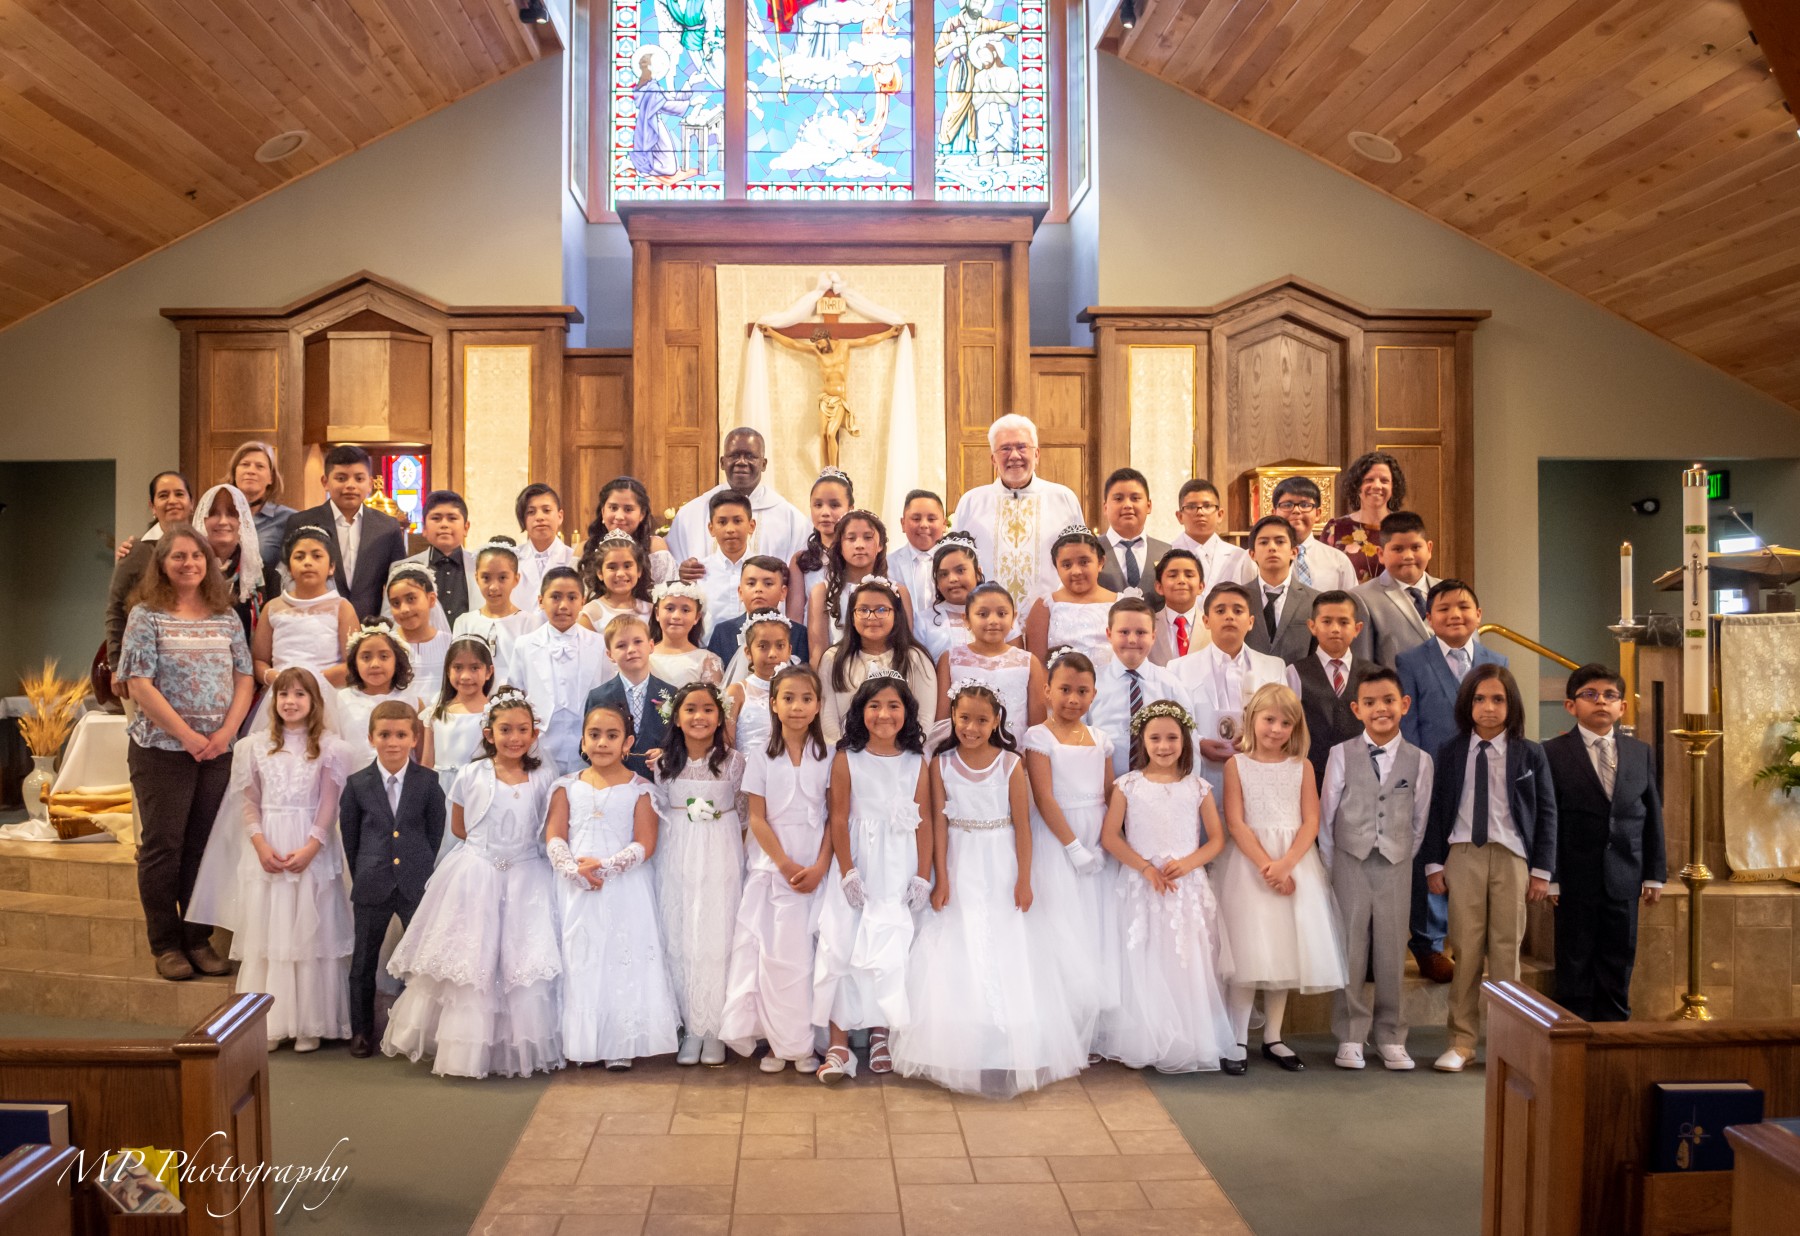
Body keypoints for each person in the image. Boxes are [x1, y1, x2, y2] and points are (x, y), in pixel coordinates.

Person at [894, 680, 1084, 1096]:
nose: (972, 727)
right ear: (953, 718)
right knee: (958, 943)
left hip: (1000, 861)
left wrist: (1023, 878)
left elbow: (1023, 825)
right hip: (961, 860)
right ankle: (964, 1044)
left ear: (997, 720)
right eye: (964, 718)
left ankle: (1007, 1045)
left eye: (982, 720)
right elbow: (938, 824)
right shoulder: (939, 765)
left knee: (1005, 943)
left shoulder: (1011, 764)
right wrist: (941, 878)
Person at [382, 687, 564, 1078]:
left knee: (522, 959)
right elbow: (461, 826)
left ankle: (520, 1046)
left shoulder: (546, 776)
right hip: (477, 873)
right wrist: (489, 856)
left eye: (522, 730)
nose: (514, 738)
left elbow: (548, 826)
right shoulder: (471, 773)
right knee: (472, 957)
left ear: (534, 735)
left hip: (528, 874)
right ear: (489, 733)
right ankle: (466, 1049)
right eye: (505, 730)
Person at [185, 666, 353, 1053]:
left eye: (299, 695)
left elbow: (330, 803)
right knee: (270, 934)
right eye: (283, 694)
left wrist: (312, 846)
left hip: (311, 845)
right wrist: (260, 845)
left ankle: (312, 1021)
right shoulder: (253, 747)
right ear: (273, 702)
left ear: (314, 703)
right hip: (269, 846)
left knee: (310, 931)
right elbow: (249, 803)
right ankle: (271, 1022)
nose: (290, 702)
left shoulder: (332, 748)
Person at [118, 525, 256, 981]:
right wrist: (188, 735)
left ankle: (198, 939)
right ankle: (166, 944)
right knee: (164, 846)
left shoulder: (225, 614)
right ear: (162, 564)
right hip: (161, 749)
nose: (189, 564)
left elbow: (244, 678)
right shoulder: (146, 615)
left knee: (205, 846)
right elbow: (140, 685)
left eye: (197, 556)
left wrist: (226, 733)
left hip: (218, 750)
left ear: (208, 563)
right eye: (178, 557)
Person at [1095, 699, 1241, 1074]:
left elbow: (1216, 840)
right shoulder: (1127, 785)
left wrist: (1187, 864)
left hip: (1184, 889)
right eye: (1155, 738)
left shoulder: (1198, 787)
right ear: (1142, 741)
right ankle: (1143, 1036)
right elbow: (1111, 837)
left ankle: (1187, 1038)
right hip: (1140, 886)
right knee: (1141, 960)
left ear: (1185, 740)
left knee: (1184, 963)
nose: (1163, 746)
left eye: (1172, 738)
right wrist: (1145, 868)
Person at [1422, 665, 1556, 1073]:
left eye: (1498, 699)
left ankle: (1507, 1042)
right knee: (1465, 948)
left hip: (1512, 856)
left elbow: (1547, 812)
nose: (1489, 708)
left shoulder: (1530, 752)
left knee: (1505, 950)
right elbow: (1437, 808)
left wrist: (1542, 870)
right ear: (1468, 704)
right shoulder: (1450, 751)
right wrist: (1433, 862)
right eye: (1480, 699)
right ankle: (1461, 1041)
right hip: (1463, 854)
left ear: (1511, 705)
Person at [1219, 683, 1347, 1073]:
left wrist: (1288, 863)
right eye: (1269, 719)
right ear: (1252, 719)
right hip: (1249, 866)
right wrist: (1266, 866)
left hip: (1294, 865)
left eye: (1285, 723)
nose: (1276, 729)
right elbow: (1236, 822)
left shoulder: (1302, 767)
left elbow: (1311, 819)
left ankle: (1273, 1037)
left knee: (1285, 952)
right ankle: (1237, 1037)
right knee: (1247, 952)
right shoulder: (1235, 765)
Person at [545, 702, 680, 1071]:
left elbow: (645, 843)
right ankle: (583, 1041)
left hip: (624, 887)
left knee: (621, 957)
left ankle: (619, 1040)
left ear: (628, 742)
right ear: (583, 742)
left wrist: (605, 866)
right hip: (576, 888)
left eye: (612, 735)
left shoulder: (640, 790)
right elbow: (555, 834)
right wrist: (572, 868)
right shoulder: (566, 786)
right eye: (594, 735)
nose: (602, 742)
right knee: (581, 958)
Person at [812, 670, 932, 1082]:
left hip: (899, 864)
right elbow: (840, 818)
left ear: (907, 712)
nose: (884, 714)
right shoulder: (847, 758)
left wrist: (923, 874)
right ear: (860, 712)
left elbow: (925, 821)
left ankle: (881, 1033)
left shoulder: (918, 760)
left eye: (893, 706)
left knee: (891, 948)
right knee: (842, 944)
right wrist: (847, 871)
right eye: (874, 706)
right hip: (859, 859)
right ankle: (840, 1044)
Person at [720, 665, 834, 1074]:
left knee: (807, 955)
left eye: (806, 698)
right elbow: (758, 818)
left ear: (818, 705)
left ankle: (804, 1042)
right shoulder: (763, 758)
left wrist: (821, 864)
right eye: (788, 698)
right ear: (773, 704)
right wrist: (784, 864)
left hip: (816, 865)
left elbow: (835, 816)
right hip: (774, 865)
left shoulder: (830, 754)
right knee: (773, 954)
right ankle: (774, 1041)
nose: (797, 706)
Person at [1317, 667, 1432, 1072]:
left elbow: (1419, 820)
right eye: (1369, 703)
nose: (1380, 709)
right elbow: (1326, 814)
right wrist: (1332, 864)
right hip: (1349, 860)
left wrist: (1401, 854)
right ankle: (1350, 1035)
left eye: (1388, 701)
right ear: (1357, 709)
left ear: (1403, 705)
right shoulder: (1340, 753)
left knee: (1390, 951)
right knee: (1350, 948)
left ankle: (1391, 1035)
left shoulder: (1421, 760)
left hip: (1396, 865)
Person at [1397, 578, 1506, 984]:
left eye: (1463, 607)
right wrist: (1417, 773)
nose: (1454, 615)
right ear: (1429, 618)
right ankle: (1428, 943)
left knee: (1474, 857)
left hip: (1485, 774)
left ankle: (1469, 940)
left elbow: (1506, 717)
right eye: (1442, 608)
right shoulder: (1410, 661)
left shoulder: (1497, 662)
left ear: (1479, 615)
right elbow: (1407, 723)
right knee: (1432, 857)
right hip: (1432, 774)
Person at [1545, 664, 1665, 1023]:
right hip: (1574, 877)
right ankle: (1573, 1036)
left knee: (1618, 959)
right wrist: (1551, 875)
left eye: (1610, 695)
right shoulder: (1552, 753)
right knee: (1575, 961)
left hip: (1625, 877)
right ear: (1571, 705)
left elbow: (1652, 815)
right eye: (1590, 695)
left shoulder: (1640, 752)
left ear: (1622, 707)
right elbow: (1549, 819)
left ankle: (1614, 1034)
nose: (1601, 702)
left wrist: (1654, 873)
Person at [339, 699, 446, 1059]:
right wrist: (366, 874)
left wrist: (419, 868)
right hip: (372, 883)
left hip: (415, 882)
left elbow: (435, 832)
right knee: (363, 963)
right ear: (371, 737)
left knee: (421, 959)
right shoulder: (357, 784)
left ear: (415, 738)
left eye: (401, 734)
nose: (393, 742)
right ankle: (361, 1032)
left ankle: (421, 1030)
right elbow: (350, 839)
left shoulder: (428, 782)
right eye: (384, 734)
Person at [1022, 649, 1116, 1054]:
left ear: (1094, 694)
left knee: (1094, 930)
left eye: (1082, 691)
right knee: (1061, 928)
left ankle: (1090, 1029)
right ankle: (1058, 1028)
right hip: (1057, 838)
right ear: (1046, 691)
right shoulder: (1038, 737)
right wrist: (1074, 847)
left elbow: (1111, 795)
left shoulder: (1100, 739)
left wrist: (1108, 839)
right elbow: (1043, 796)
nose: (1072, 699)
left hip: (1097, 835)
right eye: (1064, 690)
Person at [651, 682, 745, 1068]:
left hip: (720, 851)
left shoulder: (735, 762)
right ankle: (691, 1026)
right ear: (676, 716)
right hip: (677, 852)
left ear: (720, 716)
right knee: (681, 933)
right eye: (690, 709)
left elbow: (743, 809)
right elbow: (657, 808)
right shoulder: (662, 764)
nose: (699, 717)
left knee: (716, 933)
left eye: (708, 709)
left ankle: (715, 1028)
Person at [1171, 582, 1301, 799]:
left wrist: (1256, 737)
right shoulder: (1178, 668)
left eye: (1238, 610)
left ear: (1250, 622)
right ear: (1206, 621)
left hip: (1257, 772)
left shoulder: (1274, 667)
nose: (1229, 616)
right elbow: (1173, 722)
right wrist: (1199, 742)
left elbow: (1286, 719)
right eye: (1220, 611)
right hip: (1202, 772)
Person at [949, 414, 1085, 610]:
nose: (1014, 456)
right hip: (987, 621)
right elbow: (955, 563)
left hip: (1051, 615)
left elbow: (1080, 557)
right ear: (993, 458)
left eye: (1022, 447)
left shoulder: (1063, 498)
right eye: (1005, 448)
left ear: (1036, 454)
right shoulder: (972, 502)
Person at [248, 527, 356, 732]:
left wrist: (309, 683)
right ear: (288, 567)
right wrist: (276, 678)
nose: (308, 562)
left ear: (331, 566)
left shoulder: (342, 607)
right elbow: (259, 660)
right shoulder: (272, 607)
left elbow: (352, 663)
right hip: (281, 696)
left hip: (328, 696)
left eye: (317, 556)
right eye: (299, 556)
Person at [283, 445, 407, 620]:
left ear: (370, 484)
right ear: (325, 482)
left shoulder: (388, 527)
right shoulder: (301, 522)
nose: (350, 485)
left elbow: (398, 582)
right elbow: (286, 578)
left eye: (359, 478)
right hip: (315, 622)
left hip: (370, 627)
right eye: (341, 478)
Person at [665, 428, 809, 570]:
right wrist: (683, 571)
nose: (741, 462)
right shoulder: (691, 514)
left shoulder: (791, 519)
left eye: (750, 456)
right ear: (722, 462)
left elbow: (800, 574)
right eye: (734, 455)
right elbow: (672, 572)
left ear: (763, 464)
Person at [106, 471, 195, 698]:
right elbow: (116, 608)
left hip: (192, 663)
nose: (172, 501)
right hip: (144, 667)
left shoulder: (201, 549)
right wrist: (116, 666)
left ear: (191, 503)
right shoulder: (136, 551)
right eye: (163, 495)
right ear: (153, 506)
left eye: (179, 494)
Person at [818, 577, 938, 744]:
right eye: (863, 610)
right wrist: (845, 753)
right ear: (852, 616)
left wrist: (899, 752)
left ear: (896, 614)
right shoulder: (833, 658)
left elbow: (925, 718)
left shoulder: (915, 658)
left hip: (902, 755)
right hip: (846, 754)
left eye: (882, 609)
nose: (872, 617)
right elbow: (827, 717)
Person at [513, 568, 608, 775]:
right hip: (540, 745)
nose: (563, 606)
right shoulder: (525, 645)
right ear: (541, 601)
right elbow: (516, 693)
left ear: (582, 601)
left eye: (572, 597)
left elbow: (608, 693)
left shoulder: (599, 644)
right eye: (555, 597)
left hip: (587, 747)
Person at [1086, 597, 1192, 777]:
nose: (1133, 640)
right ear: (1109, 634)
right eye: (1124, 632)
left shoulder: (1170, 684)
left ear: (1153, 636)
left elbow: (1191, 742)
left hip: (1160, 789)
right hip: (1103, 787)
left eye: (1141, 632)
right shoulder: (1091, 684)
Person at [935, 582, 1043, 746]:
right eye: (983, 614)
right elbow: (943, 720)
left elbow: (1038, 725)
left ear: (1013, 617)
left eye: (1001, 613)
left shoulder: (1028, 662)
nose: (993, 620)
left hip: (1015, 757)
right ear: (967, 619)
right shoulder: (950, 659)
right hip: (963, 754)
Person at [421, 632, 496, 849]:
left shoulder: (493, 712)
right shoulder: (437, 711)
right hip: (441, 792)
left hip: (478, 790)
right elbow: (427, 762)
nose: (465, 676)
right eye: (458, 668)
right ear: (447, 670)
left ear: (489, 671)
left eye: (474, 668)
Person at [1293, 591, 1372, 788]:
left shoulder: (1373, 675)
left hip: (1363, 776)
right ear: (1312, 626)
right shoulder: (1294, 672)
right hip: (1311, 778)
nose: (1335, 629)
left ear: (1357, 628)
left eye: (1344, 622)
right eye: (1326, 622)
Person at [585, 614, 674, 780]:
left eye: (638, 642)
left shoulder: (671, 694)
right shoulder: (598, 697)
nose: (631, 649)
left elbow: (680, 743)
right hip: (613, 783)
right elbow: (584, 748)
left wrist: (665, 755)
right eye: (621, 645)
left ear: (651, 645)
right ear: (610, 654)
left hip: (659, 783)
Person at [810, 509, 911, 655]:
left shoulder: (898, 591)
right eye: (851, 538)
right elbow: (817, 652)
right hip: (837, 672)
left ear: (880, 544)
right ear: (840, 546)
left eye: (868, 537)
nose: (859, 545)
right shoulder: (822, 592)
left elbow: (905, 646)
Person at [1236, 477, 1356, 596]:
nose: (1296, 511)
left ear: (1318, 513)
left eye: (1305, 505)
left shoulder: (1338, 560)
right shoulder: (1254, 558)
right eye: (1287, 505)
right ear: (1274, 512)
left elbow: (1351, 607)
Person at [334, 618, 424, 769]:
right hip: (354, 785)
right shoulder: (342, 699)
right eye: (366, 657)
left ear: (397, 660)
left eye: (384, 656)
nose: (375, 664)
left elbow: (421, 755)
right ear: (354, 663)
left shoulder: (412, 701)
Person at [1352, 511, 1438, 668]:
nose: (1408, 556)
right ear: (1381, 554)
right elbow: (1363, 665)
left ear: (1429, 549)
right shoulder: (1362, 598)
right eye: (1398, 549)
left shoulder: (1449, 591)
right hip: (1395, 690)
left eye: (1416, 547)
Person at [1024, 525, 1117, 664]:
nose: (1076, 571)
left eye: (1084, 562)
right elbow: (1038, 665)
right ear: (1057, 567)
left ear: (1100, 562)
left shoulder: (1119, 603)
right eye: (1066, 565)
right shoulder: (1045, 606)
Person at [452, 537, 537, 685]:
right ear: (476, 578)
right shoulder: (464, 622)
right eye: (486, 578)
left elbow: (534, 672)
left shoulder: (530, 623)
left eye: (503, 578)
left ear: (516, 579)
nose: (493, 587)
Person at [709, 556, 809, 680]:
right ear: (740, 592)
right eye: (751, 583)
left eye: (768, 584)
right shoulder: (723, 632)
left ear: (783, 592)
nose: (759, 589)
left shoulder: (798, 633)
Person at [390, 490, 477, 630]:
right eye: (436, 518)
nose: (444, 524)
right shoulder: (402, 569)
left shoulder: (481, 567)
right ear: (424, 528)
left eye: (452, 518)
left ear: (466, 528)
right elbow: (391, 622)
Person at [1241, 516, 1318, 665]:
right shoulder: (1239, 598)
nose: (1272, 547)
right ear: (1252, 554)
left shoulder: (1314, 600)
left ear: (1294, 552)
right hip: (1248, 685)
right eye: (1263, 542)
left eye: (1280, 541)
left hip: (1296, 684)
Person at [1321, 451, 1406, 585]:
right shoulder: (1335, 529)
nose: (1377, 486)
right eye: (1369, 480)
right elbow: (1323, 578)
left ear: (1393, 487)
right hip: (1348, 604)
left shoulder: (1406, 527)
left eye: (1384, 480)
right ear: (1357, 485)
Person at [579, 476, 677, 589]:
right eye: (613, 508)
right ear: (603, 511)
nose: (619, 516)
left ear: (642, 514)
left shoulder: (654, 547)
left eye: (628, 509)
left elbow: (668, 595)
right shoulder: (584, 549)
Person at [196, 483, 265, 642]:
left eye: (232, 513)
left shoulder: (257, 571)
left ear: (243, 520)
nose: (222, 521)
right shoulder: (189, 569)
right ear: (202, 519)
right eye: (213, 513)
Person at [789, 468, 855, 622]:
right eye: (818, 505)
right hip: (811, 638)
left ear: (850, 508)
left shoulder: (859, 555)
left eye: (834, 505)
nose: (825, 512)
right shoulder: (801, 560)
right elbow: (795, 616)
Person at [1095, 468, 1169, 606]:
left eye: (1135, 498)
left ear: (1148, 506)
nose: (1127, 505)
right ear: (1105, 507)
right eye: (1118, 499)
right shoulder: (1089, 551)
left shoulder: (1167, 553)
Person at [725, 613, 791, 756]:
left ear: (789, 650)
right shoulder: (737, 692)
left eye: (780, 646)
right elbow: (727, 745)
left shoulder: (797, 690)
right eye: (763, 646)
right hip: (747, 773)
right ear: (748, 652)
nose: (772, 653)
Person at [696, 491, 758, 639]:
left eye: (737, 521)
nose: (730, 529)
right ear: (711, 528)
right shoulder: (699, 572)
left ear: (751, 525)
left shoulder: (764, 570)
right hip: (709, 651)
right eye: (722, 522)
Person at [226, 440, 296, 571]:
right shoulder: (219, 517)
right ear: (234, 473)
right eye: (245, 464)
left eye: (260, 466)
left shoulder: (289, 519)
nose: (251, 471)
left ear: (271, 478)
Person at [912, 531, 981, 662]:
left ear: (978, 573)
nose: (952, 579)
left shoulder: (999, 613)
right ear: (936, 582)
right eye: (943, 574)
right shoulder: (923, 621)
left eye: (960, 570)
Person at [1169, 478, 1248, 590]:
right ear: (1180, 516)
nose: (1200, 512)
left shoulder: (1239, 557)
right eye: (1191, 507)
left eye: (1207, 506)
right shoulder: (1166, 554)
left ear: (1220, 514)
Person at [386, 564, 449, 703]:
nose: (404, 609)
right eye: (395, 603)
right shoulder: (387, 645)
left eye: (411, 599)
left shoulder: (450, 644)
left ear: (431, 599)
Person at [648, 580, 725, 688]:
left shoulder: (707, 660)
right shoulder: (644, 655)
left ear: (697, 617)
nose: (676, 616)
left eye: (685, 610)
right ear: (657, 613)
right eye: (670, 609)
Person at [512, 482, 577, 610]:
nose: (539, 517)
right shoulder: (512, 558)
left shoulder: (573, 558)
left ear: (560, 516)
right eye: (531, 512)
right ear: (523, 520)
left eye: (546, 510)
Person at [577, 530, 653, 637]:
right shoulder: (590, 614)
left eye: (627, 566)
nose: (621, 573)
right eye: (612, 567)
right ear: (600, 573)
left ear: (639, 570)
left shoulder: (650, 610)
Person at [887, 488, 948, 611]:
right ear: (903, 523)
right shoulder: (888, 564)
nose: (924, 525)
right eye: (916, 519)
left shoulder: (955, 562)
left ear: (944, 524)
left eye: (931, 519)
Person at [1149, 549, 1207, 667]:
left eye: (1189, 575)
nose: (1181, 580)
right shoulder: (1147, 626)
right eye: (1172, 575)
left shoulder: (1214, 627)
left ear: (1201, 586)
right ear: (1159, 587)